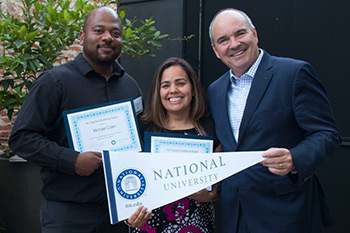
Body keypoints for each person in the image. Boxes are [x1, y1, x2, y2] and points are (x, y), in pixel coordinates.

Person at [9, 6, 143, 233]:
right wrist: (70, 160)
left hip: (118, 213)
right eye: (99, 30)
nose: (108, 38)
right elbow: (22, 138)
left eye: (115, 33)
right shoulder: (54, 82)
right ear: (83, 37)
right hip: (69, 215)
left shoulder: (130, 85)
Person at [207, 8, 341, 233]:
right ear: (216, 51)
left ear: (255, 34)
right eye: (223, 40)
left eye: (240, 34)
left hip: (286, 214)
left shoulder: (294, 73)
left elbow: (327, 133)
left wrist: (295, 158)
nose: (234, 44)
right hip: (235, 215)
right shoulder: (215, 90)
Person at [125, 57, 221, 233]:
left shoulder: (210, 128)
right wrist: (129, 217)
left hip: (196, 224)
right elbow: (127, 180)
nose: (173, 90)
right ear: (158, 92)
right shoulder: (142, 129)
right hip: (150, 225)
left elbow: (220, 185)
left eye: (180, 83)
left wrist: (210, 195)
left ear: (192, 89)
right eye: (165, 85)